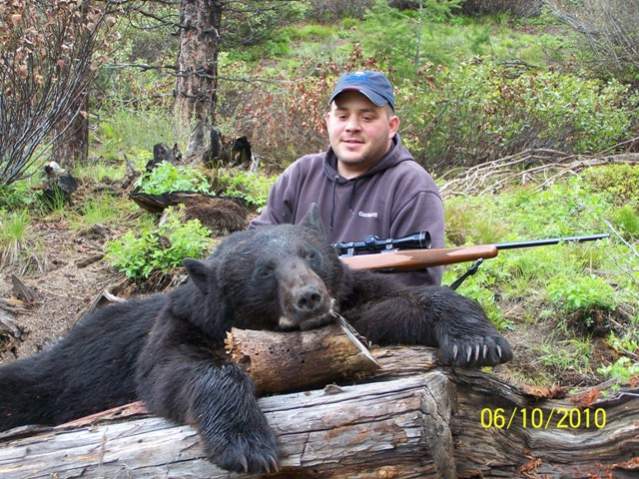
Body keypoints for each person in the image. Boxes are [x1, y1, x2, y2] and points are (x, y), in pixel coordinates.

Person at [250, 70, 444, 286]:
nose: (352, 127)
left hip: (373, 315)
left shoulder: (412, 186)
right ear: (328, 121)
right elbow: (256, 246)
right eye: (342, 116)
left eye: (367, 117)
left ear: (392, 126)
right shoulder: (300, 173)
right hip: (292, 306)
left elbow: (418, 287)